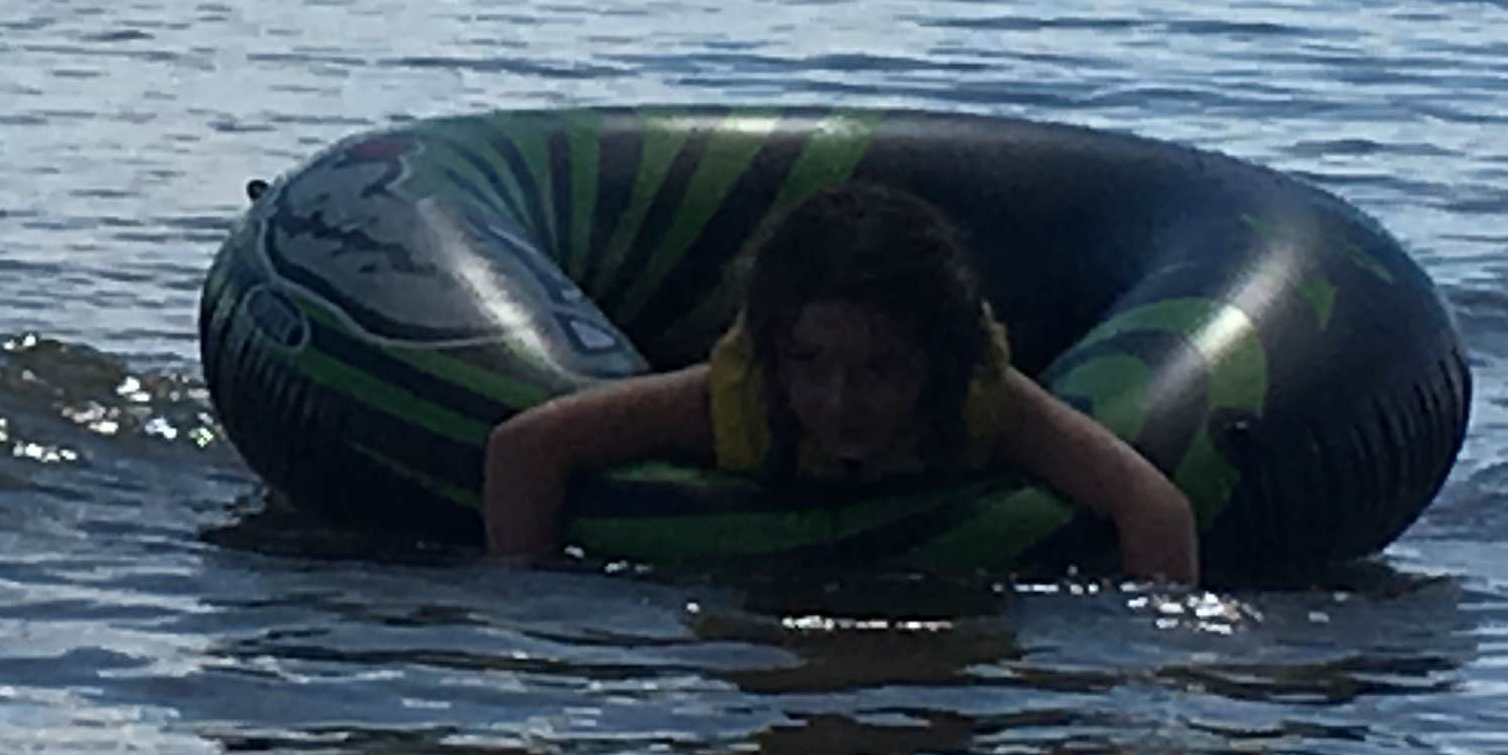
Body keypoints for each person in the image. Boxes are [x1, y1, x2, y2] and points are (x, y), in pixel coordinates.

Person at [479, 177, 1204, 583]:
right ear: (777, 356)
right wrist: (530, 605)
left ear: (933, 366)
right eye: (811, 365)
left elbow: (1152, 508)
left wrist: (1141, 674)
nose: (839, 402)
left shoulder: (983, 399)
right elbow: (526, 448)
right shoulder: (743, 397)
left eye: (880, 371)